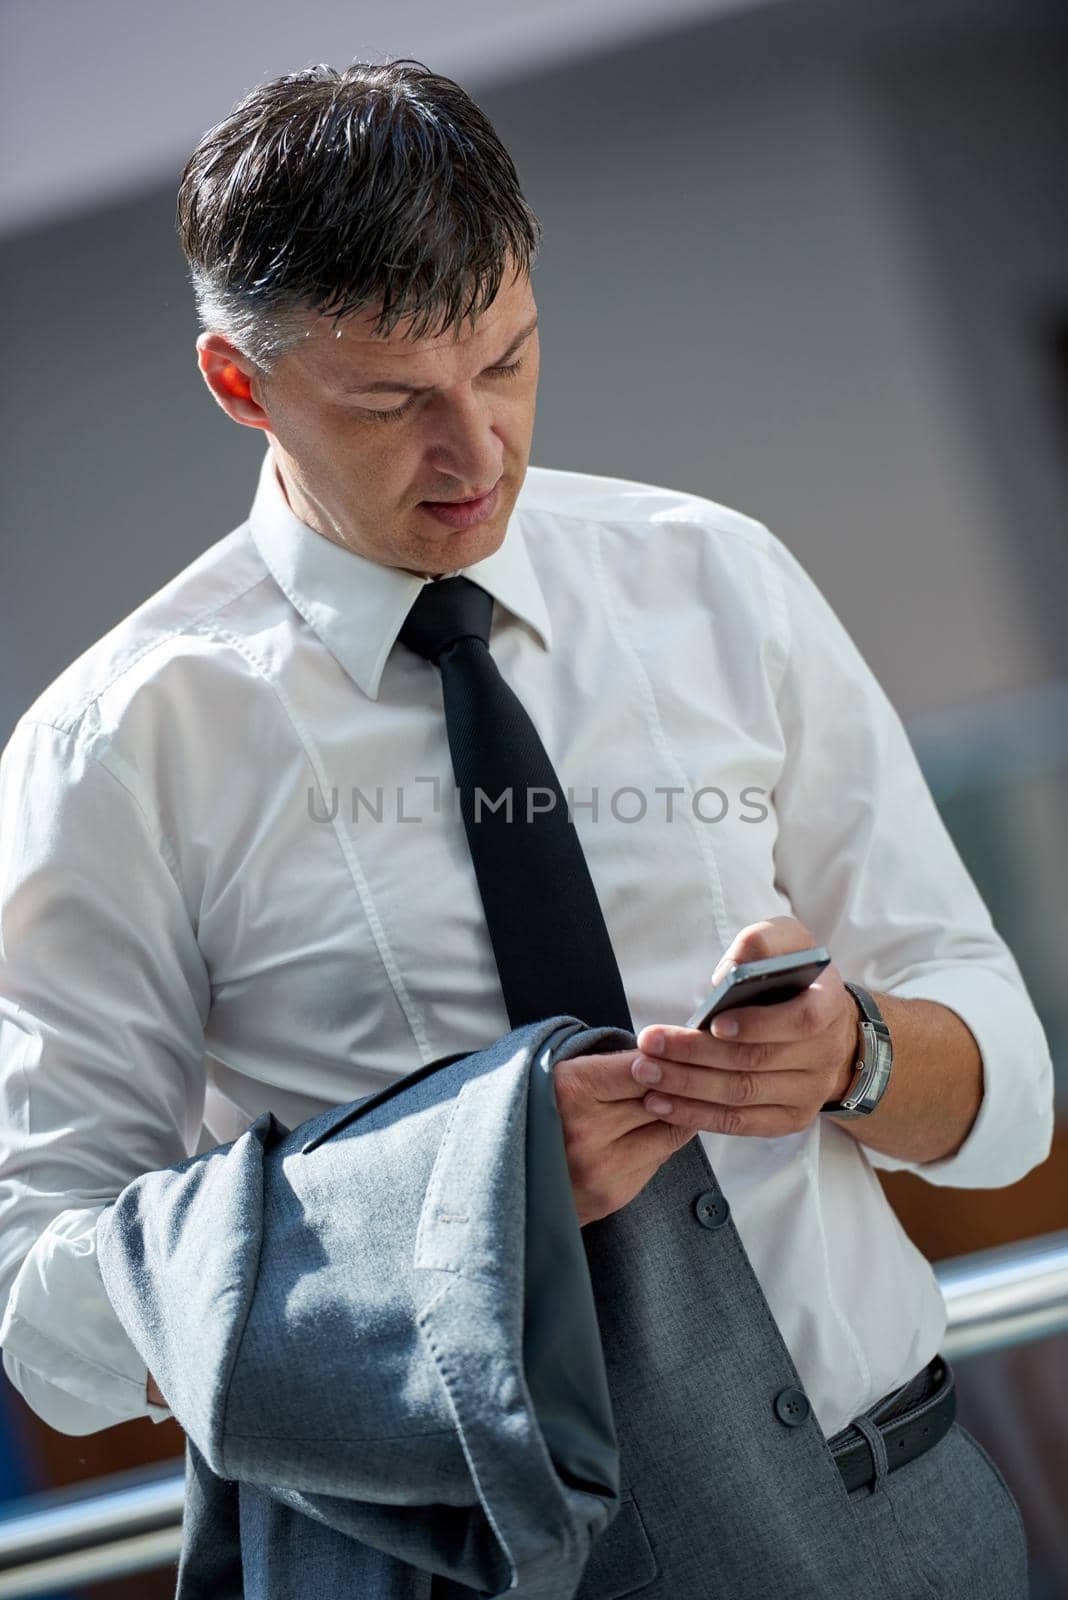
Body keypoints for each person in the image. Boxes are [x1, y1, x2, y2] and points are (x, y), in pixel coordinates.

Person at [0, 56, 1052, 1594]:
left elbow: (1010, 1089)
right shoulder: (118, 753)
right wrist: (456, 1213)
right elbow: (43, 1318)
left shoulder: (718, 582)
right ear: (243, 385)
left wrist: (856, 1055)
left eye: (506, 361)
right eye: (392, 403)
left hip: (897, 1518)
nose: (477, 454)